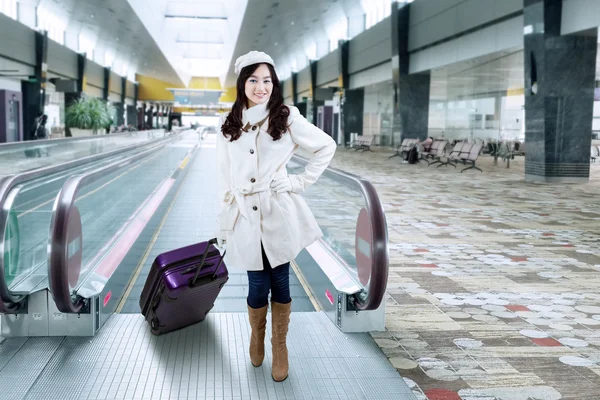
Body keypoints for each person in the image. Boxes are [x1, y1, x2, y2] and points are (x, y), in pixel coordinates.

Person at [216, 50, 336, 382]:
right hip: (246, 216)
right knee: (256, 283)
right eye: (253, 80)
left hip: (278, 211)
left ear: (274, 83)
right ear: (242, 83)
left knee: (280, 279)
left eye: (267, 80)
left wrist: (298, 181)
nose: (261, 87)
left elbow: (326, 145)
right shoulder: (229, 124)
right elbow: (224, 180)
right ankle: (257, 335)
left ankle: (279, 346)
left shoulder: (286, 116)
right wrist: (224, 225)